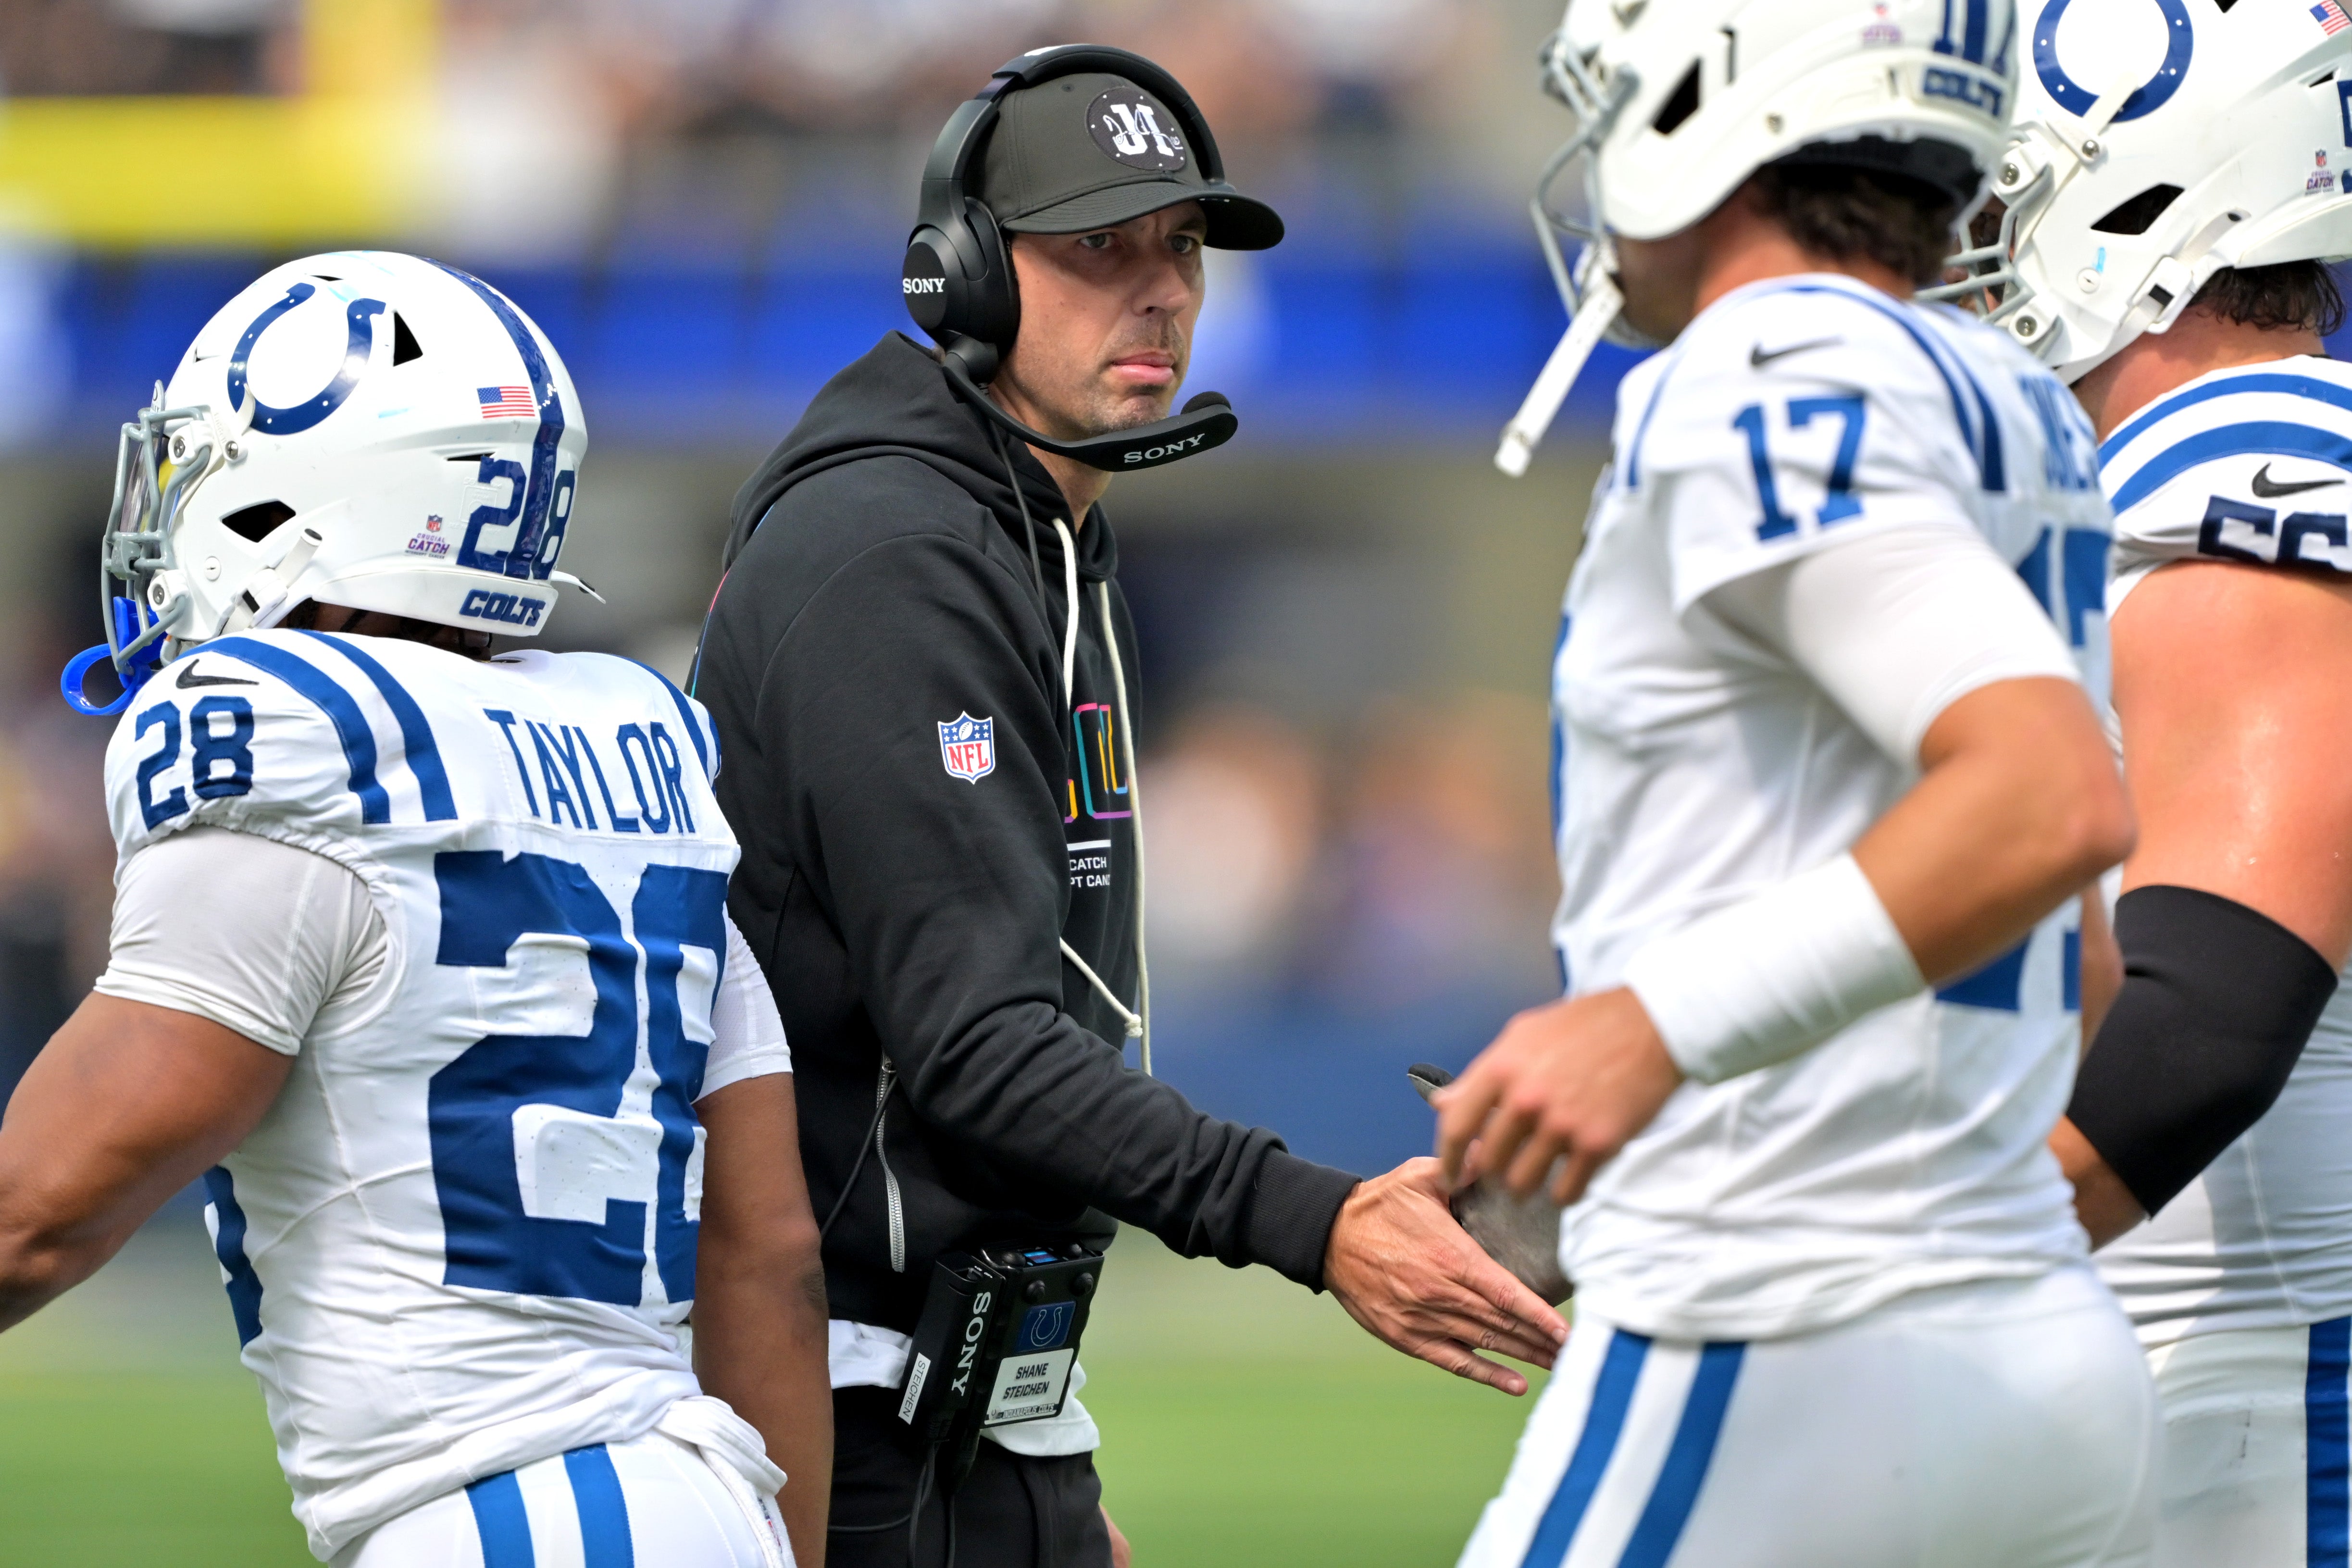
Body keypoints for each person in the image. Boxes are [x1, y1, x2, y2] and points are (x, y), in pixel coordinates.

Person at [692, 43, 1567, 1568]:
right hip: (845, 1422)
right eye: (1098, 246)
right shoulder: (893, 552)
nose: (1158, 289)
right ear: (960, 274)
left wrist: (1046, 1470)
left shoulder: (1039, 531)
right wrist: (1312, 1219)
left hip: (982, 1410)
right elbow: (971, 1049)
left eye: (1179, 247)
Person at [1432, 3, 2162, 1563]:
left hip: (1783, 1336)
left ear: (1714, 96)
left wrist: (1651, 1032)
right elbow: (2080, 951)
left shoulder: (1766, 365)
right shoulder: (2007, 388)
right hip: (2036, 1342)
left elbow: (2046, 804)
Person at [0, 251, 831, 1567]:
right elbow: (769, 1255)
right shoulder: (638, 748)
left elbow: (40, 1210)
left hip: (501, 1519)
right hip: (704, 1504)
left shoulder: (301, 735)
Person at [1966, 3, 2352, 1558]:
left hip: (2268, 1424)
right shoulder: (2143, 493)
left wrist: (1865, 1312)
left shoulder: (2240, 477)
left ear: (2137, 213)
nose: (1971, 259)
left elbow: (2205, 1026)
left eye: (2001, 209)